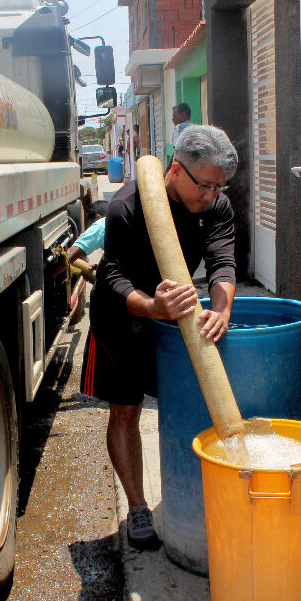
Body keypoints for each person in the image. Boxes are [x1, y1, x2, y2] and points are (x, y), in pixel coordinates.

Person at [81, 125, 238, 550]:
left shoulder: (216, 207)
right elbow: (111, 274)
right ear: (175, 170)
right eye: (204, 185)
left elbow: (222, 261)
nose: (210, 195)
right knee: (127, 412)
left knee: (186, 405)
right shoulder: (127, 206)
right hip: (124, 316)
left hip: (175, 320)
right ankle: (137, 508)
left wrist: (221, 309)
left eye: (218, 186)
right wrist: (151, 306)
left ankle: (196, 494)